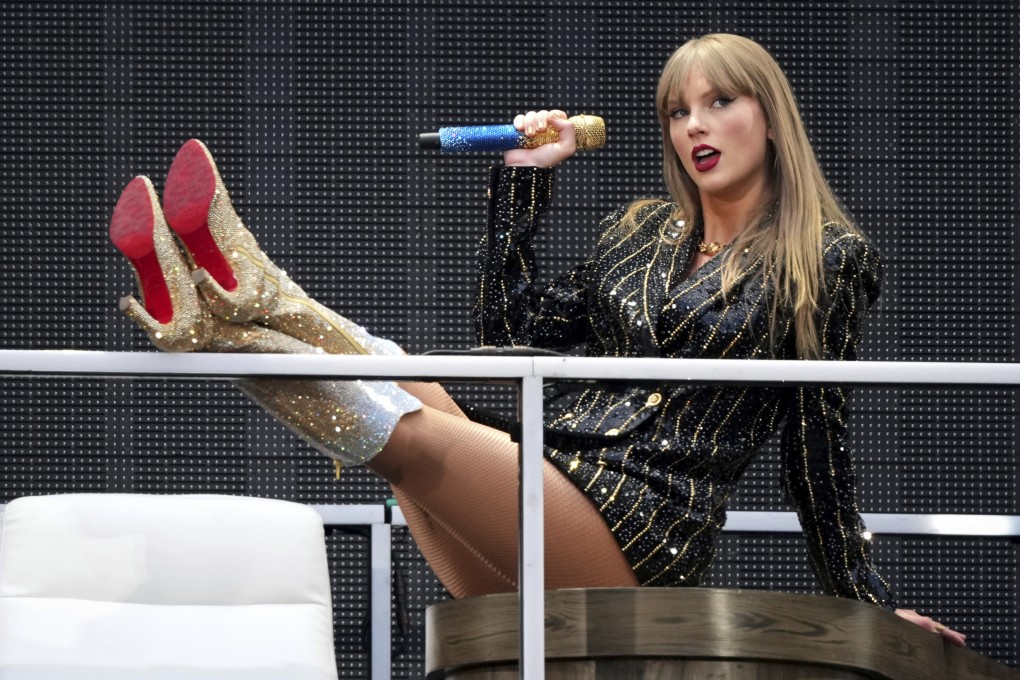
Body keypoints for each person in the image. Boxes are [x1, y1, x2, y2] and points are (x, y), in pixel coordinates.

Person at [109, 33, 963, 646]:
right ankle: (233, 304)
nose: (694, 126)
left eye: (719, 102)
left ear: (770, 117)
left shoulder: (828, 261)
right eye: (677, 111)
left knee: (405, 431)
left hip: (642, 521)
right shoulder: (638, 232)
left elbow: (820, 445)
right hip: (549, 463)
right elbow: (512, 332)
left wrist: (866, 597)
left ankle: (229, 314)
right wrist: (522, 189)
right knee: (421, 389)